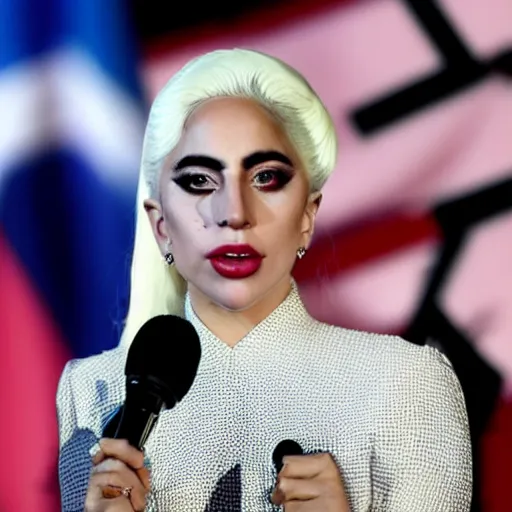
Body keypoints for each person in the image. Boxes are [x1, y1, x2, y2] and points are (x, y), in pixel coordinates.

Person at [56, 48, 472, 511]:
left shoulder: (406, 383)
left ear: (307, 216)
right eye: (199, 181)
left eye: (266, 177)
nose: (234, 213)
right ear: (160, 225)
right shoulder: (91, 390)